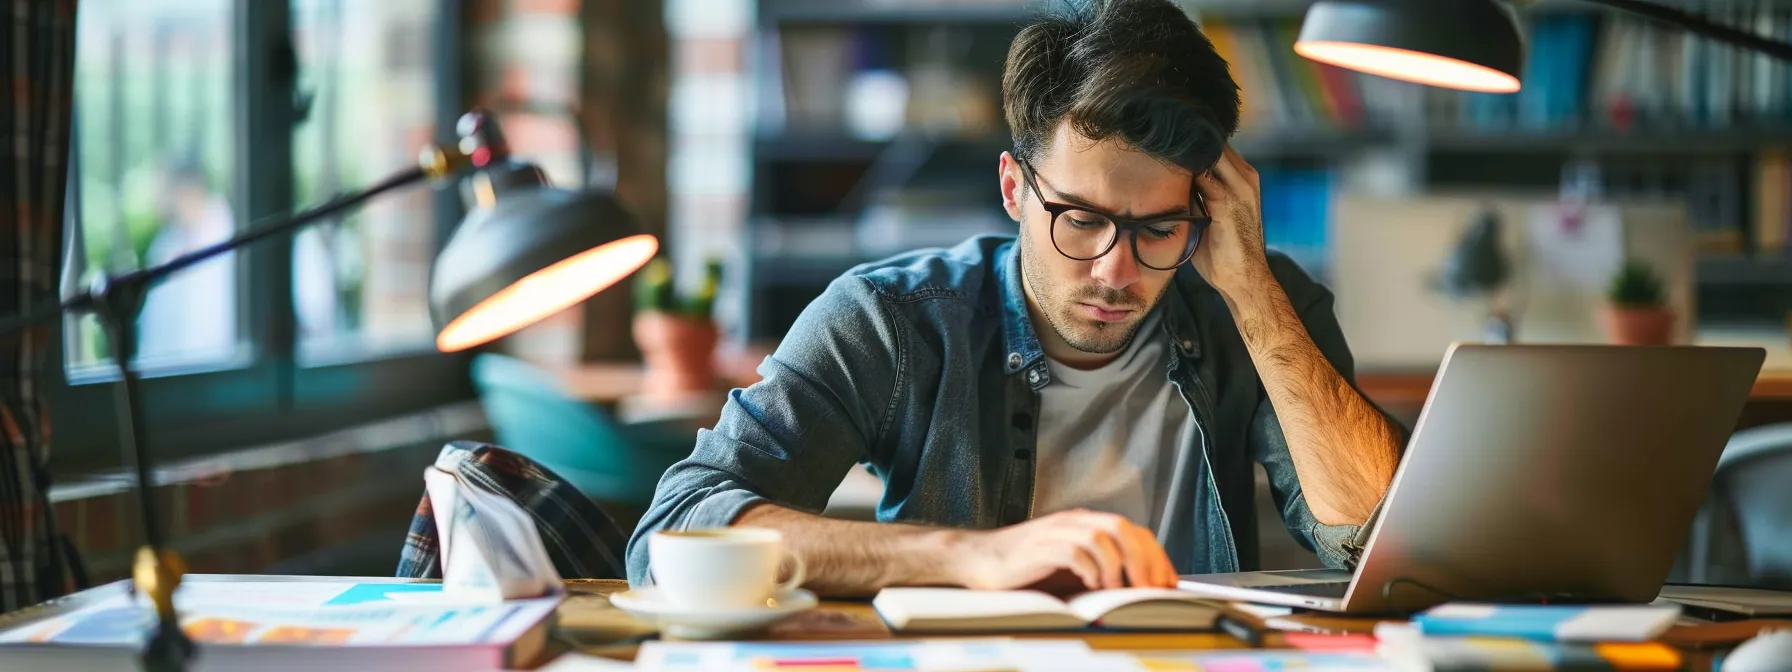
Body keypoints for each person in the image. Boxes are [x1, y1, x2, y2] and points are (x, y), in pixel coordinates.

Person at [627, 0, 1405, 595]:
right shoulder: (890, 320)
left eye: (1161, 228)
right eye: (1082, 219)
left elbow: (1373, 537)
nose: (1115, 270)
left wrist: (1253, 294)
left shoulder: (1261, 309)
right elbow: (675, 533)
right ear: (1013, 188)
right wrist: (968, 556)